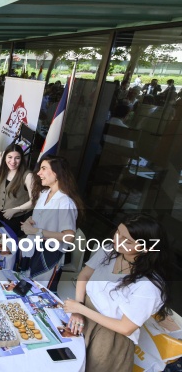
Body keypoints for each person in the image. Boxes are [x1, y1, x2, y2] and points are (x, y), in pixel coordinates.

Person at [63, 214, 171, 372]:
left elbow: (125, 327)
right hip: (82, 320)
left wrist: (80, 309)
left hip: (109, 340)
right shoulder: (109, 250)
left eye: (127, 240)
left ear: (146, 248)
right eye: (118, 233)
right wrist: (79, 306)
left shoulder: (149, 285)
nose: (117, 240)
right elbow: (84, 275)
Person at [20, 155, 84, 291]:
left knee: (39, 293)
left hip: (48, 256)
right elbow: (38, 217)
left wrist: (37, 231)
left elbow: (69, 236)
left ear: (57, 173)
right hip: (33, 249)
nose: (38, 173)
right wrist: (29, 221)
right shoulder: (45, 193)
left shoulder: (65, 203)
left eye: (43, 168)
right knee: (26, 286)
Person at [0, 144, 33, 237]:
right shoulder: (3, 170)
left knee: (8, 244)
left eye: (17, 158)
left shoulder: (28, 175)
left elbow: (34, 201)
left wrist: (14, 210)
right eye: (9, 157)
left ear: (21, 159)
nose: (13, 161)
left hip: (15, 218)